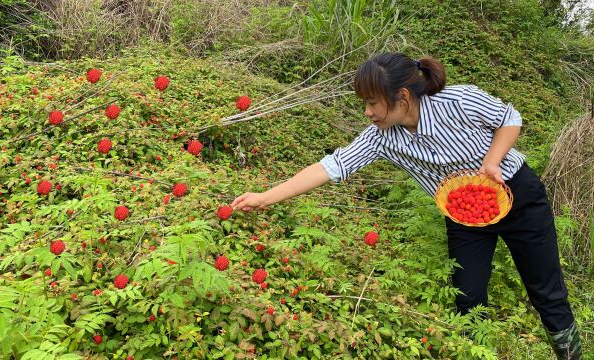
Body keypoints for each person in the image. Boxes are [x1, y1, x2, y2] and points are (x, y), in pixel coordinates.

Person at [230, 52, 582, 359]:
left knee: (546, 291)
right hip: (462, 213)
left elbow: (509, 117)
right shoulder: (381, 137)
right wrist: (265, 197)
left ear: (401, 96)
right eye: (364, 104)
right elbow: (331, 166)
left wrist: (492, 161)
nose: (367, 112)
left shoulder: (458, 101)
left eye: (372, 103)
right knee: (467, 297)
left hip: (516, 195)